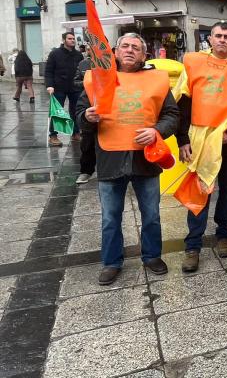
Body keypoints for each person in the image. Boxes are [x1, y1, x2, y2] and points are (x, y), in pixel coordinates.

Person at [76, 33, 178, 285]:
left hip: (146, 159)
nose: (130, 50)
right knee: (110, 216)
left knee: (152, 214)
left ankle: (152, 256)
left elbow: (172, 115)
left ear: (144, 55)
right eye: (125, 46)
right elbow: (79, 115)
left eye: (136, 47)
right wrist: (86, 118)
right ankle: (112, 262)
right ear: (115, 52)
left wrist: (157, 131)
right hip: (110, 158)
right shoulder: (97, 79)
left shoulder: (156, 80)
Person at [174, 22, 227, 272]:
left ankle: (224, 235)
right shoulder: (193, 63)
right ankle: (193, 246)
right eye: (218, 36)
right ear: (210, 39)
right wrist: (182, 140)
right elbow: (181, 103)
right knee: (200, 192)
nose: (222, 40)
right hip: (199, 140)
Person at [45, 31, 84, 146]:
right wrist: (49, 85)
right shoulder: (55, 54)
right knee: (56, 111)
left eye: (73, 39)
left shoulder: (78, 55)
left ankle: (75, 133)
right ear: (64, 40)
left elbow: (81, 71)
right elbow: (48, 71)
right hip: (58, 87)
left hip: (75, 87)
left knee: (76, 110)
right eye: (70, 38)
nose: (72, 40)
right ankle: (53, 135)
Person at [73, 56, 96, 184]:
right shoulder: (83, 64)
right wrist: (89, 82)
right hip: (89, 102)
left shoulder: (115, 63)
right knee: (87, 142)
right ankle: (86, 171)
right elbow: (75, 82)